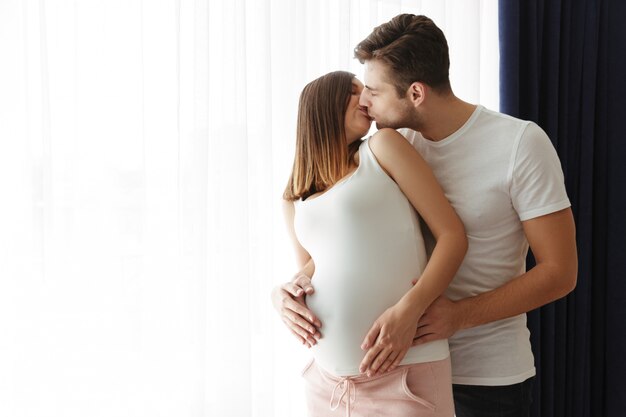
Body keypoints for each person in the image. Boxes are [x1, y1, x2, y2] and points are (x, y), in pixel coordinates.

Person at [272, 14, 578, 417]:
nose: (365, 102)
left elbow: (560, 272)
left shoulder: (519, 144)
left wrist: (455, 317)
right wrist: (287, 292)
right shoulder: (391, 144)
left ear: (415, 93)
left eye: (374, 93)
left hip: (485, 378)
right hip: (389, 369)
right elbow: (346, 246)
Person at [279, 70, 467, 416]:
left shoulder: (382, 148)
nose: (365, 97)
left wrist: (409, 311)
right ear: (323, 107)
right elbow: (315, 267)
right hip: (326, 382)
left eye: (366, 89)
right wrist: (282, 295)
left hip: (404, 374)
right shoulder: (294, 197)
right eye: (353, 91)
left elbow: (452, 236)